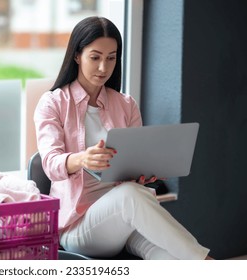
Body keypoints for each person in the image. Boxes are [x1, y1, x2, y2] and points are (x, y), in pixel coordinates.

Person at [34, 16, 212, 260]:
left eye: (111, 58)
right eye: (95, 57)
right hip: (78, 227)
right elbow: (51, 164)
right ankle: (207, 262)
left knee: (171, 258)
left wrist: (145, 173)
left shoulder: (126, 104)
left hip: (124, 218)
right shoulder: (53, 102)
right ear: (77, 56)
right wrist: (82, 159)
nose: (103, 68)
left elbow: (134, 174)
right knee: (130, 195)